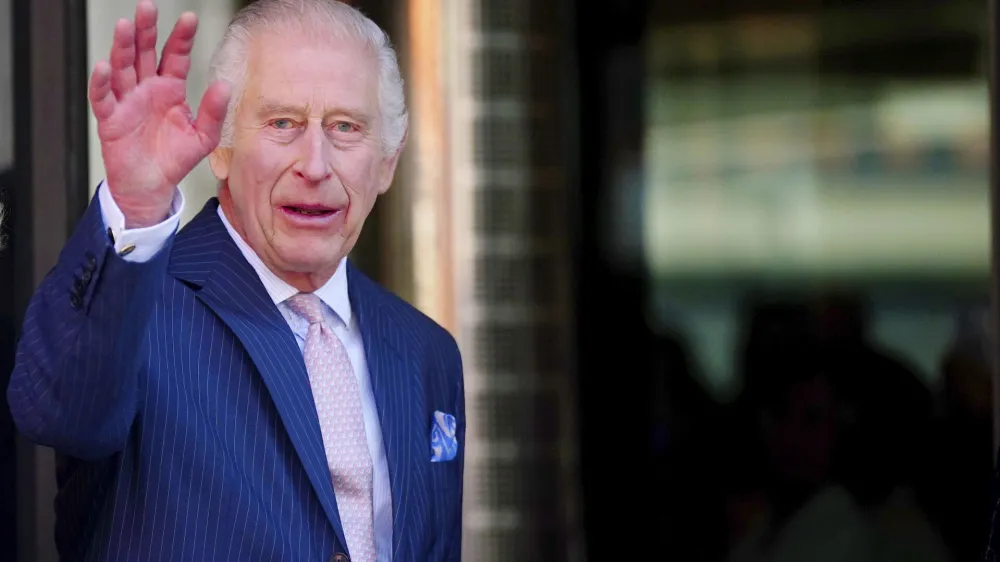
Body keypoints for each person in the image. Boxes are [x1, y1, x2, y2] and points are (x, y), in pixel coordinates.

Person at [6, 1, 465, 560]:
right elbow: (53, 411)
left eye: (346, 127)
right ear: (220, 146)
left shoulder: (427, 352)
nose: (315, 165)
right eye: (282, 123)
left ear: (389, 159)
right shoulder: (136, 310)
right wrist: (135, 207)